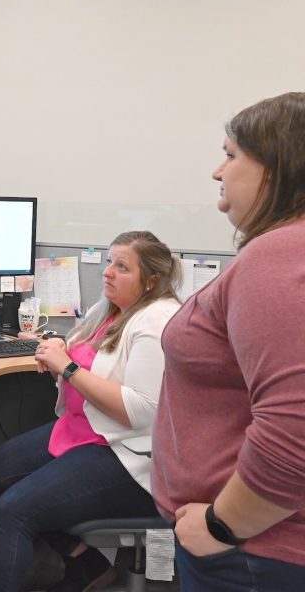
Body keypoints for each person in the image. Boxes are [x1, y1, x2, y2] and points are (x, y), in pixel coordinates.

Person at [152, 93, 305, 591]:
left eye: (231, 155)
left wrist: (222, 526)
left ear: (275, 169)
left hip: (252, 550)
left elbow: (296, 426)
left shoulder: (278, 256)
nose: (218, 172)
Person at [0, 231, 181, 592]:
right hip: (85, 428)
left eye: (122, 267)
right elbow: (89, 354)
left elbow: (141, 411)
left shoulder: (157, 320)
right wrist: (59, 346)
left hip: (126, 451)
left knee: (14, 511)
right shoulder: (114, 309)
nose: (107, 272)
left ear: (151, 280)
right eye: (109, 262)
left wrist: (67, 368)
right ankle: (87, 563)